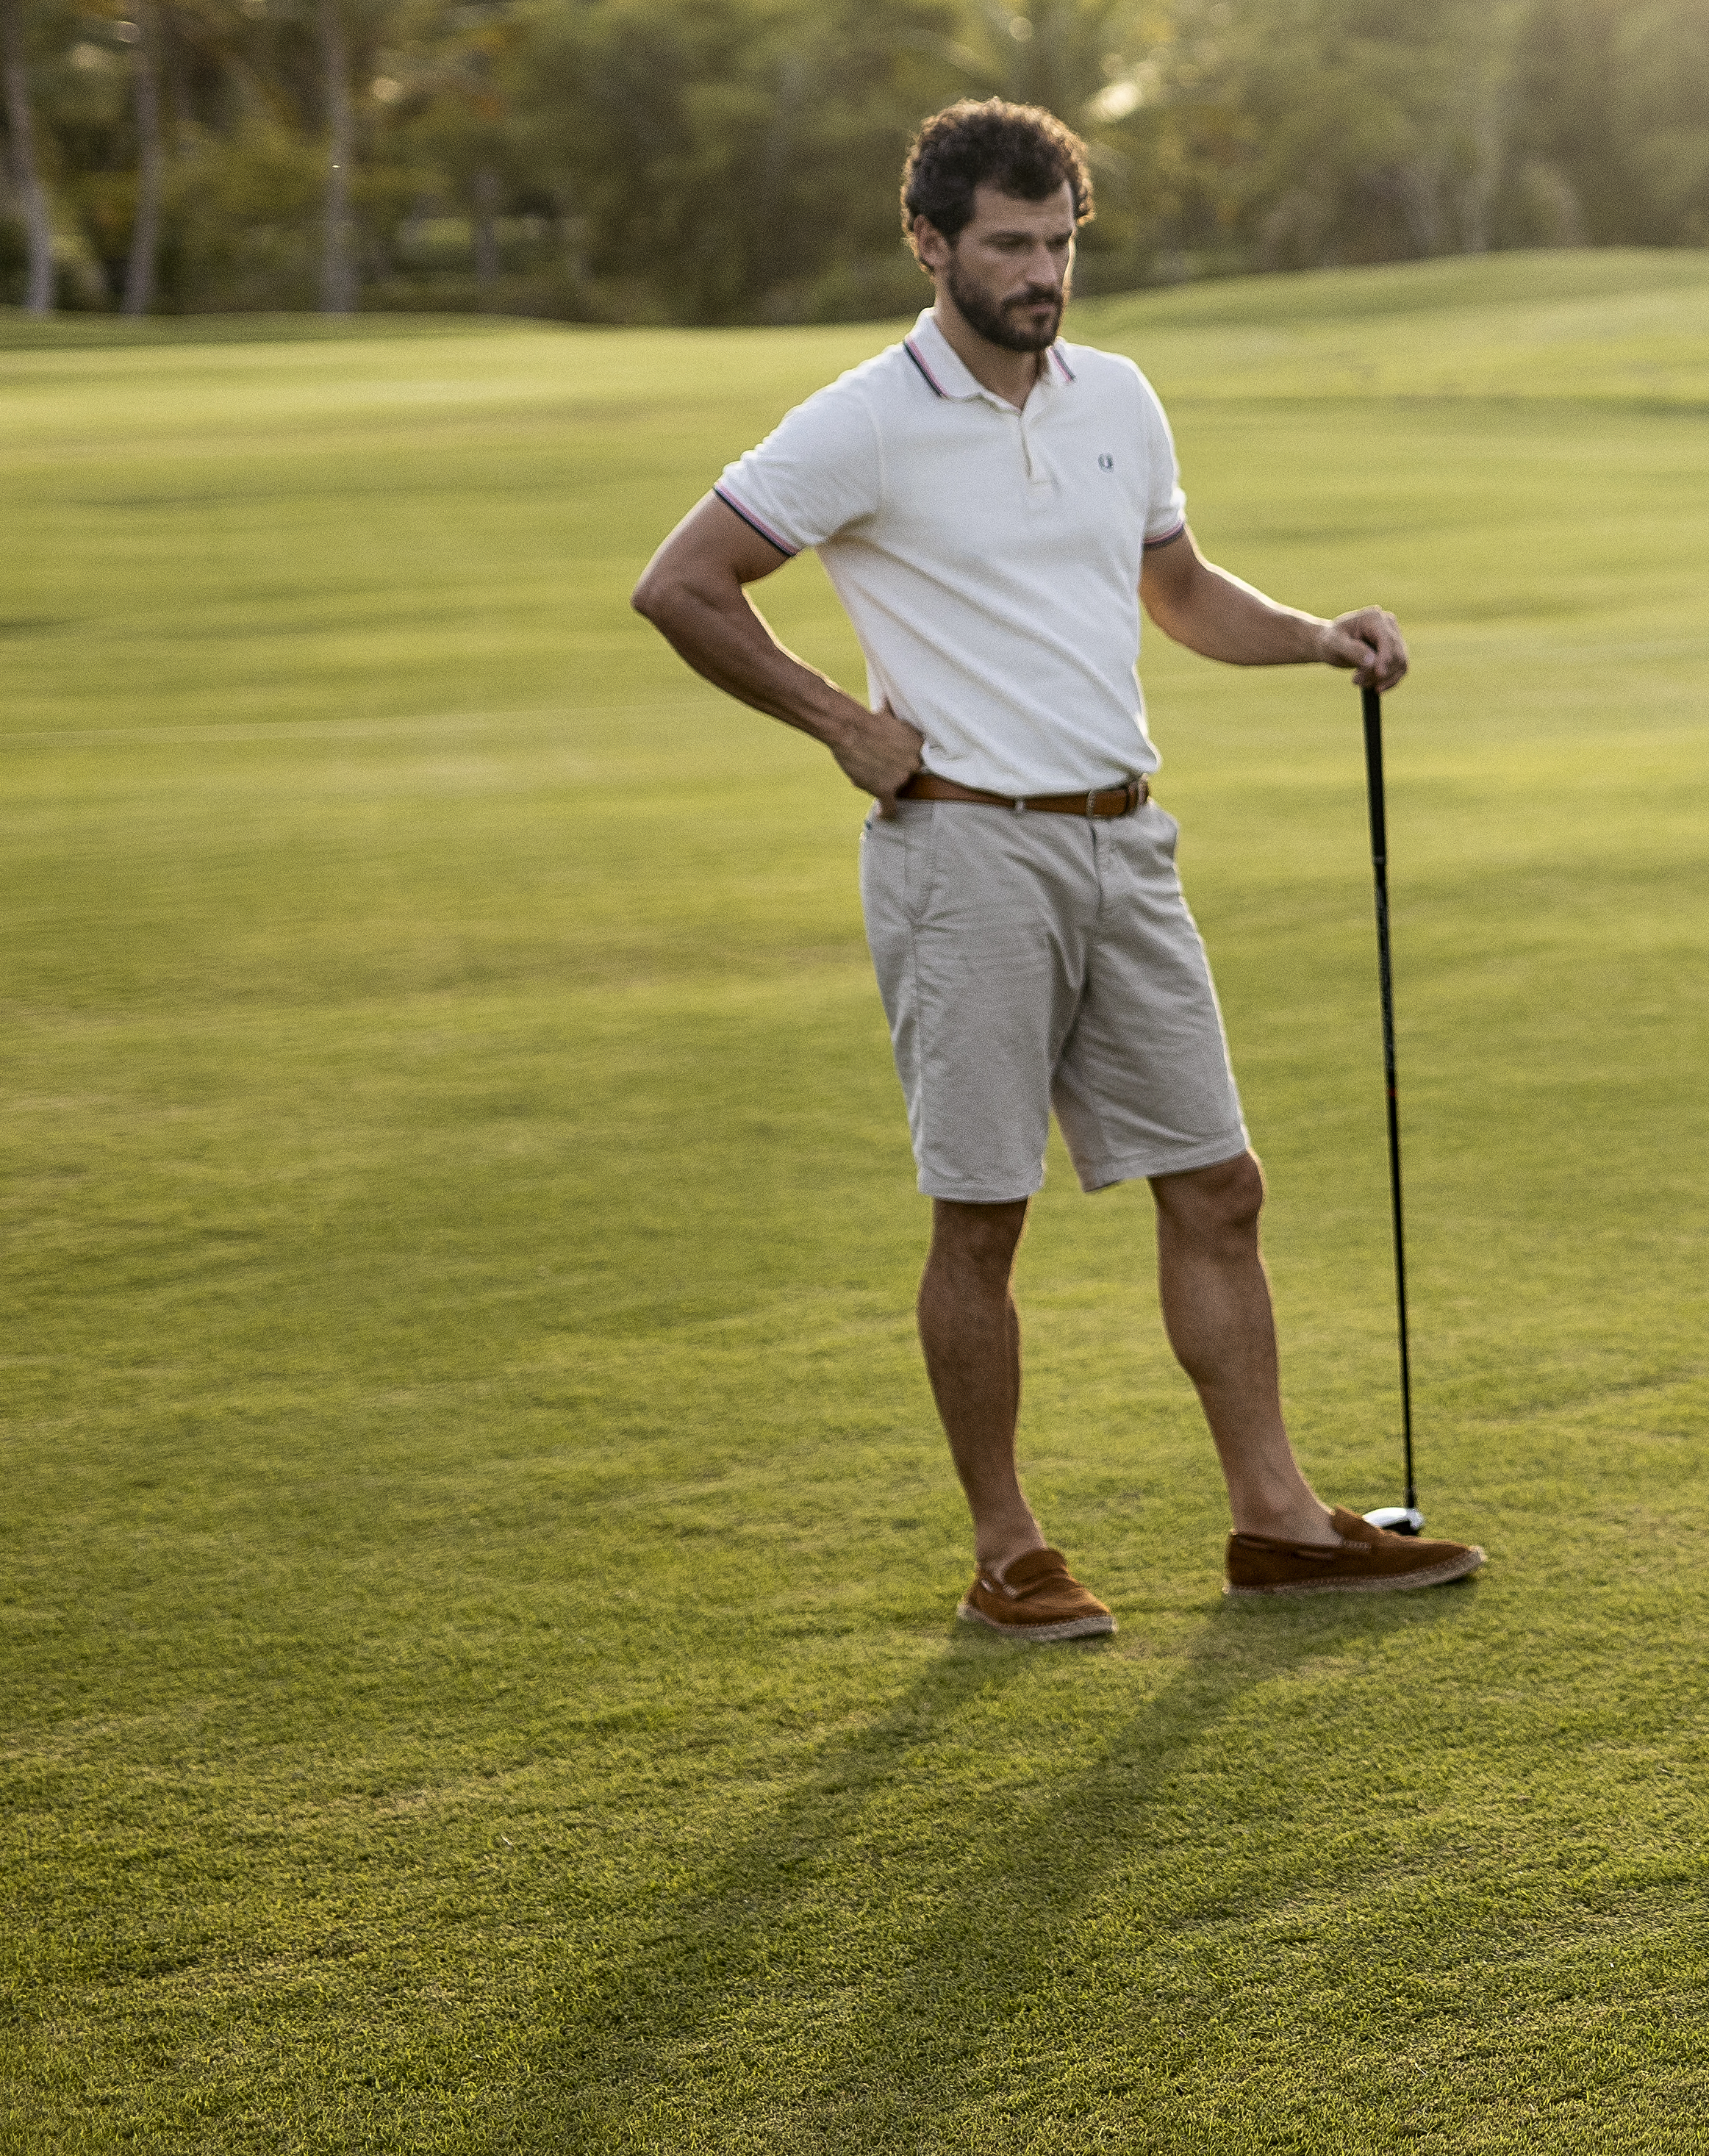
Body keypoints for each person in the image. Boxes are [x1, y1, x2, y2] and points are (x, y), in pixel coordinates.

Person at [628, 99, 1482, 1643]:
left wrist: (1316, 636)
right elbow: (681, 584)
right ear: (932, 241)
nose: (1041, 272)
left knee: (1219, 1184)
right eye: (1010, 243)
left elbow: (1177, 586)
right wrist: (836, 720)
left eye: (1061, 241)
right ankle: (1009, 1550)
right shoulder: (862, 418)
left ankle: (1278, 1522)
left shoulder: (1119, 396)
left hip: (1123, 840)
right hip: (963, 850)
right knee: (983, 1211)